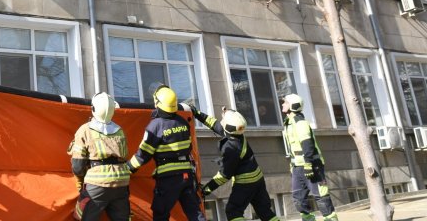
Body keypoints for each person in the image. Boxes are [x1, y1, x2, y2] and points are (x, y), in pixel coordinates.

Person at [126, 86, 205, 221]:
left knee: (161, 214)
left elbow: (144, 154)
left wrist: (127, 169)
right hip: (187, 176)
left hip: (168, 179)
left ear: (158, 103)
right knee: (195, 214)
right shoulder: (183, 122)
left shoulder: (155, 126)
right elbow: (188, 147)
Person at [191, 106, 279, 221]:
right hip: (258, 180)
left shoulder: (231, 148)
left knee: (233, 212)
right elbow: (215, 124)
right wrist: (197, 113)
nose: (221, 120)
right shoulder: (236, 134)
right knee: (265, 212)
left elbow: (225, 174)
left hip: (245, 183)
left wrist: (207, 188)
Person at [67, 92, 131, 220]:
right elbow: (124, 156)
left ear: (93, 109)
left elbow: (78, 166)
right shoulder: (119, 130)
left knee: (84, 216)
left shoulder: (85, 130)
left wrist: (80, 183)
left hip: (97, 184)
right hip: (122, 182)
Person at [282, 93, 338, 221]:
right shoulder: (289, 123)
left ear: (292, 106)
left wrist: (308, 164)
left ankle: (331, 218)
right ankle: (308, 218)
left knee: (321, 196)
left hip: (312, 164)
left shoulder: (300, 122)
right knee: (298, 198)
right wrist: (293, 165)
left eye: (285, 102)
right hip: (298, 167)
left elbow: (307, 145)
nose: (282, 104)